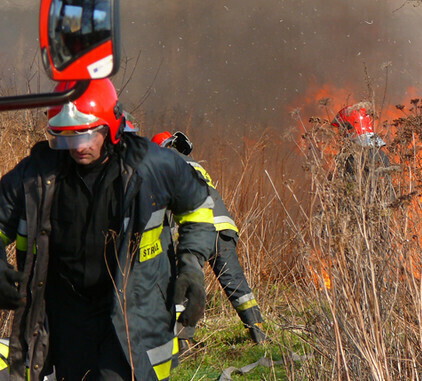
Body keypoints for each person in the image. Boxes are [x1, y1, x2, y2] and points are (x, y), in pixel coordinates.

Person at [0, 79, 216, 381]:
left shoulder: (153, 166)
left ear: (111, 126)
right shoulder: (35, 175)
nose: (79, 147)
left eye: (87, 134)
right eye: (68, 136)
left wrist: (191, 265)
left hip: (132, 311)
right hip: (67, 315)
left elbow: (198, 206)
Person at [151, 131, 266, 345]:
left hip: (197, 229)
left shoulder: (165, 164)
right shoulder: (194, 164)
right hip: (223, 226)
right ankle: (258, 330)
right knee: (234, 282)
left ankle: (182, 340)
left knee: (188, 280)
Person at [331, 102, 397, 206]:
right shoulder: (379, 154)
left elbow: (350, 193)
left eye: (342, 129)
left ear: (351, 128)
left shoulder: (356, 156)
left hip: (363, 212)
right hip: (380, 211)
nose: (340, 135)